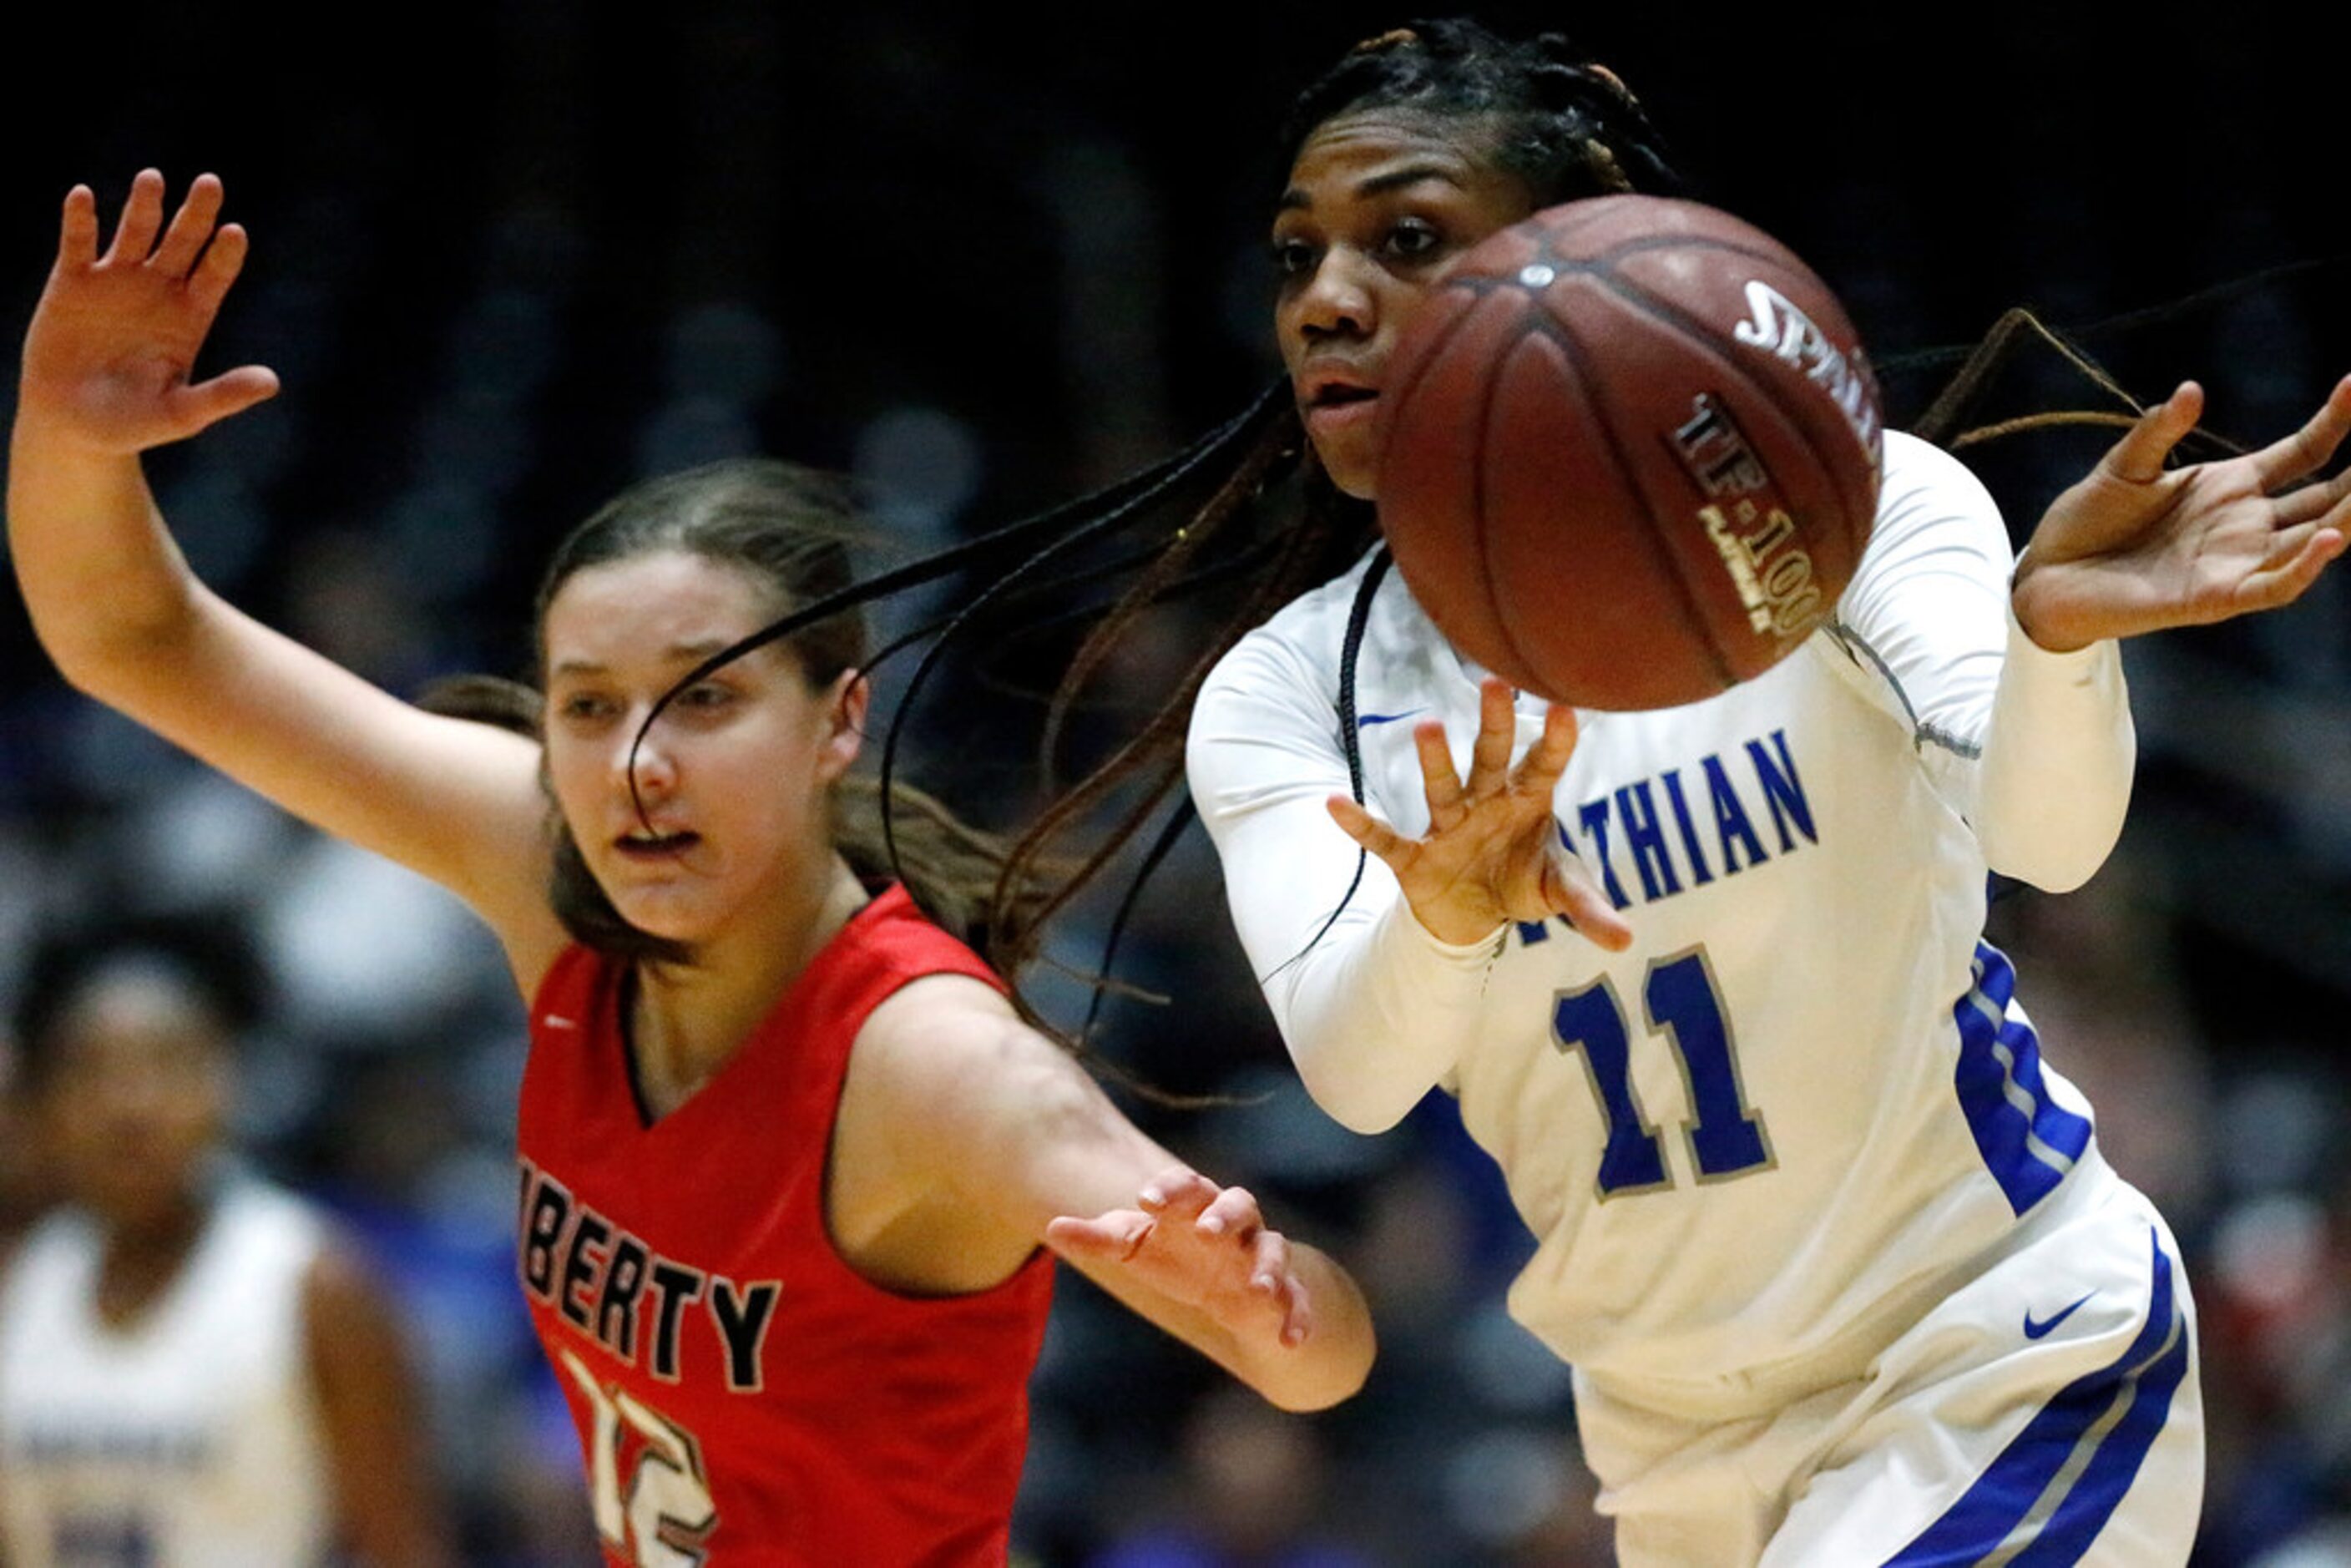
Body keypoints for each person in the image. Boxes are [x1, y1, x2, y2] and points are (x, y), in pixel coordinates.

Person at [983, 18, 2351, 1565]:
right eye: (1298, 256)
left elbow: (2047, 831)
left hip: (1994, 1350)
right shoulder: (1290, 687)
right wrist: (1439, 920)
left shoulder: (1853, 514)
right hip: (1669, 1448)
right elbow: (1361, 1072)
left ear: (1579, 254)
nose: (1327, 301)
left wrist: (2053, 640)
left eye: (1407, 239)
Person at [5, 170, 1377, 1565]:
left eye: (705, 698)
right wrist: (69, 435)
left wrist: (1271, 1298)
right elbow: (134, 636)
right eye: (591, 705)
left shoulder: (931, 1062)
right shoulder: (549, 859)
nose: (638, 761)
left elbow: (1313, 1359)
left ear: (839, 718)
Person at [0, 923, 453, 1566]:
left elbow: (402, 1547)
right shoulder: (23, 1280)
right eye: (91, 1069)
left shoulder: (315, 1283)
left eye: (168, 1064)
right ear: (46, 1101)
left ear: (227, 1085)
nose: (129, 1105)